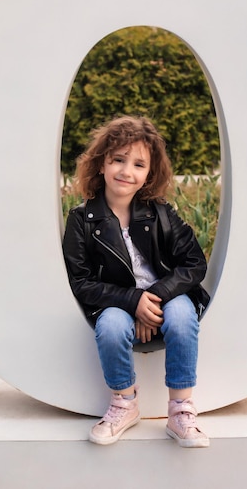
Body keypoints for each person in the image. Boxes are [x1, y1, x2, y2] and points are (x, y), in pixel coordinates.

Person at [62, 115, 210, 447]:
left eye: (138, 164)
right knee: (112, 328)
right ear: (101, 164)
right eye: (118, 159)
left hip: (166, 297)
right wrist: (133, 301)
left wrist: (153, 297)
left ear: (148, 175)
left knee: (183, 316)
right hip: (115, 302)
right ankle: (124, 403)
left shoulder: (161, 213)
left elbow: (193, 264)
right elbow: (81, 282)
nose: (127, 171)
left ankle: (181, 410)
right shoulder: (82, 220)